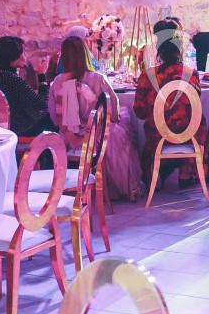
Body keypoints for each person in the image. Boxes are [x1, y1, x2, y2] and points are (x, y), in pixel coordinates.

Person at [48, 36, 142, 200]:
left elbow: (55, 117)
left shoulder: (57, 82)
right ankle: (121, 186)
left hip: (70, 138)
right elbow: (112, 112)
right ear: (85, 54)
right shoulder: (98, 79)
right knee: (122, 129)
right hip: (96, 138)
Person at [133, 21, 208, 188]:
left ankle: (154, 171)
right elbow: (196, 104)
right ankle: (186, 171)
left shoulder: (147, 76)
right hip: (188, 137)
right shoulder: (192, 74)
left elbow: (139, 112)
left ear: (159, 48)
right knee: (197, 121)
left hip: (158, 138)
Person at [0, 36, 55, 135]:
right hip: (17, 131)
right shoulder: (11, 79)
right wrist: (42, 75)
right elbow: (41, 107)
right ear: (13, 58)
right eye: (23, 52)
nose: (26, 56)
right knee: (52, 119)